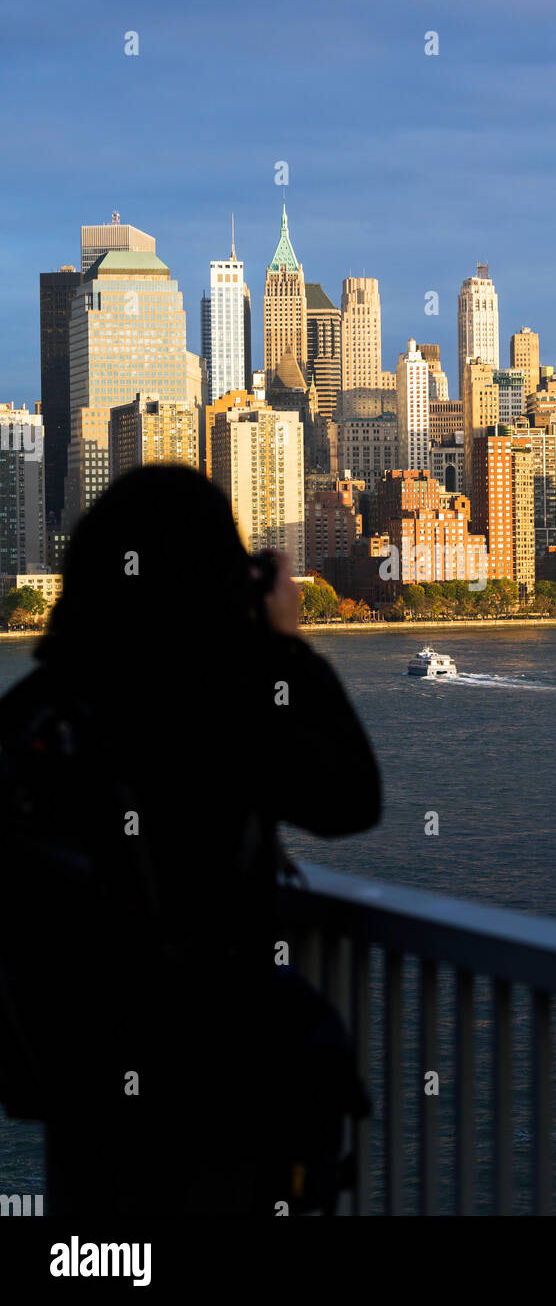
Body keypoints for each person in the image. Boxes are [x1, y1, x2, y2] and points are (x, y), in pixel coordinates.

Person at [0, 465, 381, 1214]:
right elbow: (350, 799)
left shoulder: (30, 716)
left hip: (81, 1090)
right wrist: (282, 646)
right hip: (217, 1095)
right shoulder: (211, 708)